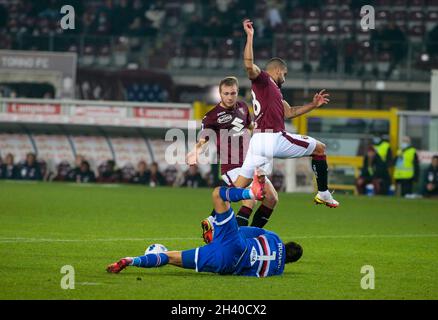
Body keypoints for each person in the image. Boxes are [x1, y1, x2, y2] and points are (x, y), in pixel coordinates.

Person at [231, 19, 338, 208]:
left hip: (257, 142)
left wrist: (313, 105)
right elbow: (249, 66)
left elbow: (289, 112)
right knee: (320, 148)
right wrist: (250, 37)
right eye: (285, 74)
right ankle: (323, 193)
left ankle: (214, 218)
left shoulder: (273, 92)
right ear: (278, 70)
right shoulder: (263, 79)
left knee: (238, 186)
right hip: (273, 138)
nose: (285, 79)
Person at [106, 174, 303, 277]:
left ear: (287, 244)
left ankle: (250, 194)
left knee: (219, 194)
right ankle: (131, 260)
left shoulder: (274, 238)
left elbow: (247, 231)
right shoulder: (277, 270)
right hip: (227, 264)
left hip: (236, 243)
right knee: (171, 258)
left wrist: (220, 232)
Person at [187, 76, 279, 230]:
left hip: (250, 161)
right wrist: (195, 152)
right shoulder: (211, 116)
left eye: (233, 93)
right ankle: (235, 239)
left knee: (271, 198)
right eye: (226, 93)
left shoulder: (243, 107)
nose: (230, 97)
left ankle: (249, 233)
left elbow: (251, 126)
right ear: (220, 93)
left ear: (237, 93)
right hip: (232, 164)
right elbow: (203, 140)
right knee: (250, 199)